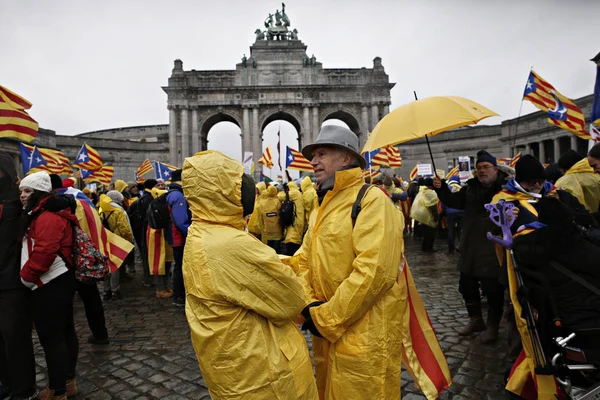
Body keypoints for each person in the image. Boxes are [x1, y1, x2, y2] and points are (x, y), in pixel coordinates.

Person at [182, 150, 318, 400]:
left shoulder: (201, 232)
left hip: (232, 366)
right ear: (224, 191)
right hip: (262, 372)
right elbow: (290, 299)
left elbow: (245, 276)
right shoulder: (229, 244)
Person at [296, 125, 405, 399]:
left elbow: (375, 272)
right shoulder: (322, 207)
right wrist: (309, 304)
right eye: (313, 155)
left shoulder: (372, 202)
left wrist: (325, 317)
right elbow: (302, 261)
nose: (313, 161)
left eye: (321, 153)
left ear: (346, 157)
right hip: (325, 331)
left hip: (364, 334)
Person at [433, 150, 509, 343]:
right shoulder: (471, 188)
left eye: (486, 167)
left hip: (493, 245)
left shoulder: (506, 188)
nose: (482, 171)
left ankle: (493, 327)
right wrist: (441, 189)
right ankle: (476, 320)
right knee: (466, 284)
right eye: (479, 168)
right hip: (471, 242)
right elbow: (455, 202)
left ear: (495, 168)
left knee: (492, 287)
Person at [19, 172, 79, 400]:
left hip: (51, 282)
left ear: (40, 193)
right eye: (22, 191)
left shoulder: (47, 217)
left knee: (52, 337)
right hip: (58, 281)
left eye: (27, 191)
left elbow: (44, 252)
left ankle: (57, 390)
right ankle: (67, 382)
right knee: (63, 332)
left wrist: (25, 277)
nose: (23, 196)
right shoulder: (47, 212)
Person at [0, 152, 37, 400]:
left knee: (14, 335)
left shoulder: (20, 204)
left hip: (12, 280)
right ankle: (5, 383)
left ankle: (23, 388)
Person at [99, 191, 133, 300]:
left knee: (105, 265)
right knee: (114, 266)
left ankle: (106, 290)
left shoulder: (100, 209)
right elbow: (125, 229)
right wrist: (128, 241)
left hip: (103, 240)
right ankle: (115, 290)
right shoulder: (118, 211)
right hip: (116, 240)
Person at [165, 169, 190, 307]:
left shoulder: (172, 194)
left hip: (175, 236)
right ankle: (179, 296)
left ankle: (178, 294)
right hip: (179, 237)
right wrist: (190, 233)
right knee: (180, 267)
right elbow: (181, 221)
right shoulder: (178, 196)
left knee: (179, 267)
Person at [128, 179, 158, 286]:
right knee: (148, 254)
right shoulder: (149, 199)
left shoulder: (143, 198)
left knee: (146, 254)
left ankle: (148, 278)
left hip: (142, 229)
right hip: (148, 230)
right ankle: (149, 278)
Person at [281, 180, 305, 256]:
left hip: (295, 223)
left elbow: (280, 197)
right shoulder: (297, 193)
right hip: (297, 221)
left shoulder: (294, 193)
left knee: (292, 245)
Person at [258, 185, 283, 253]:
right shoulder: (278, 202)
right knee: (277, 253)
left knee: (268, 252)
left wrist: (262, 229)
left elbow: (260, 219)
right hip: (277, 232)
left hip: (267, 232)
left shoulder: (262, 204)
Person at [445, 176, 465, 254]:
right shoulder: (462, 188)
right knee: (461, 230)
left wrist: (444, 211)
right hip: (462, 212)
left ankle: (451, 249)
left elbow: (444, 201)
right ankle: (461, 247)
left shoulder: (447, 189)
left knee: (450, 230)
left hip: (450, 213)